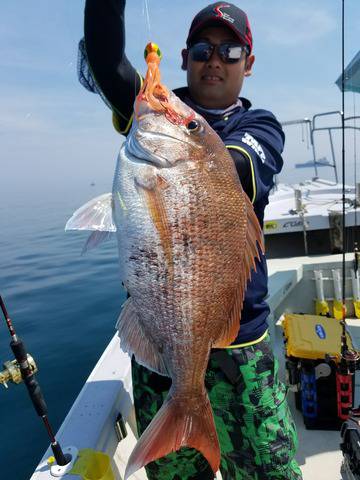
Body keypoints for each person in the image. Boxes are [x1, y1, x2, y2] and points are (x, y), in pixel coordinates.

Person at [79, 1, 303, 479]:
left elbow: (238, 166)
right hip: (164, 351)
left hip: (243, 346)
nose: (214, 60)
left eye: (230, 50)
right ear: (183, 57)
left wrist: (185, 138)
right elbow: (104, 60)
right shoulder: (158, 111)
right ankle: (185, 400)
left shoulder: (260, 127)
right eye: (203, 49)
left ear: (249, 62)